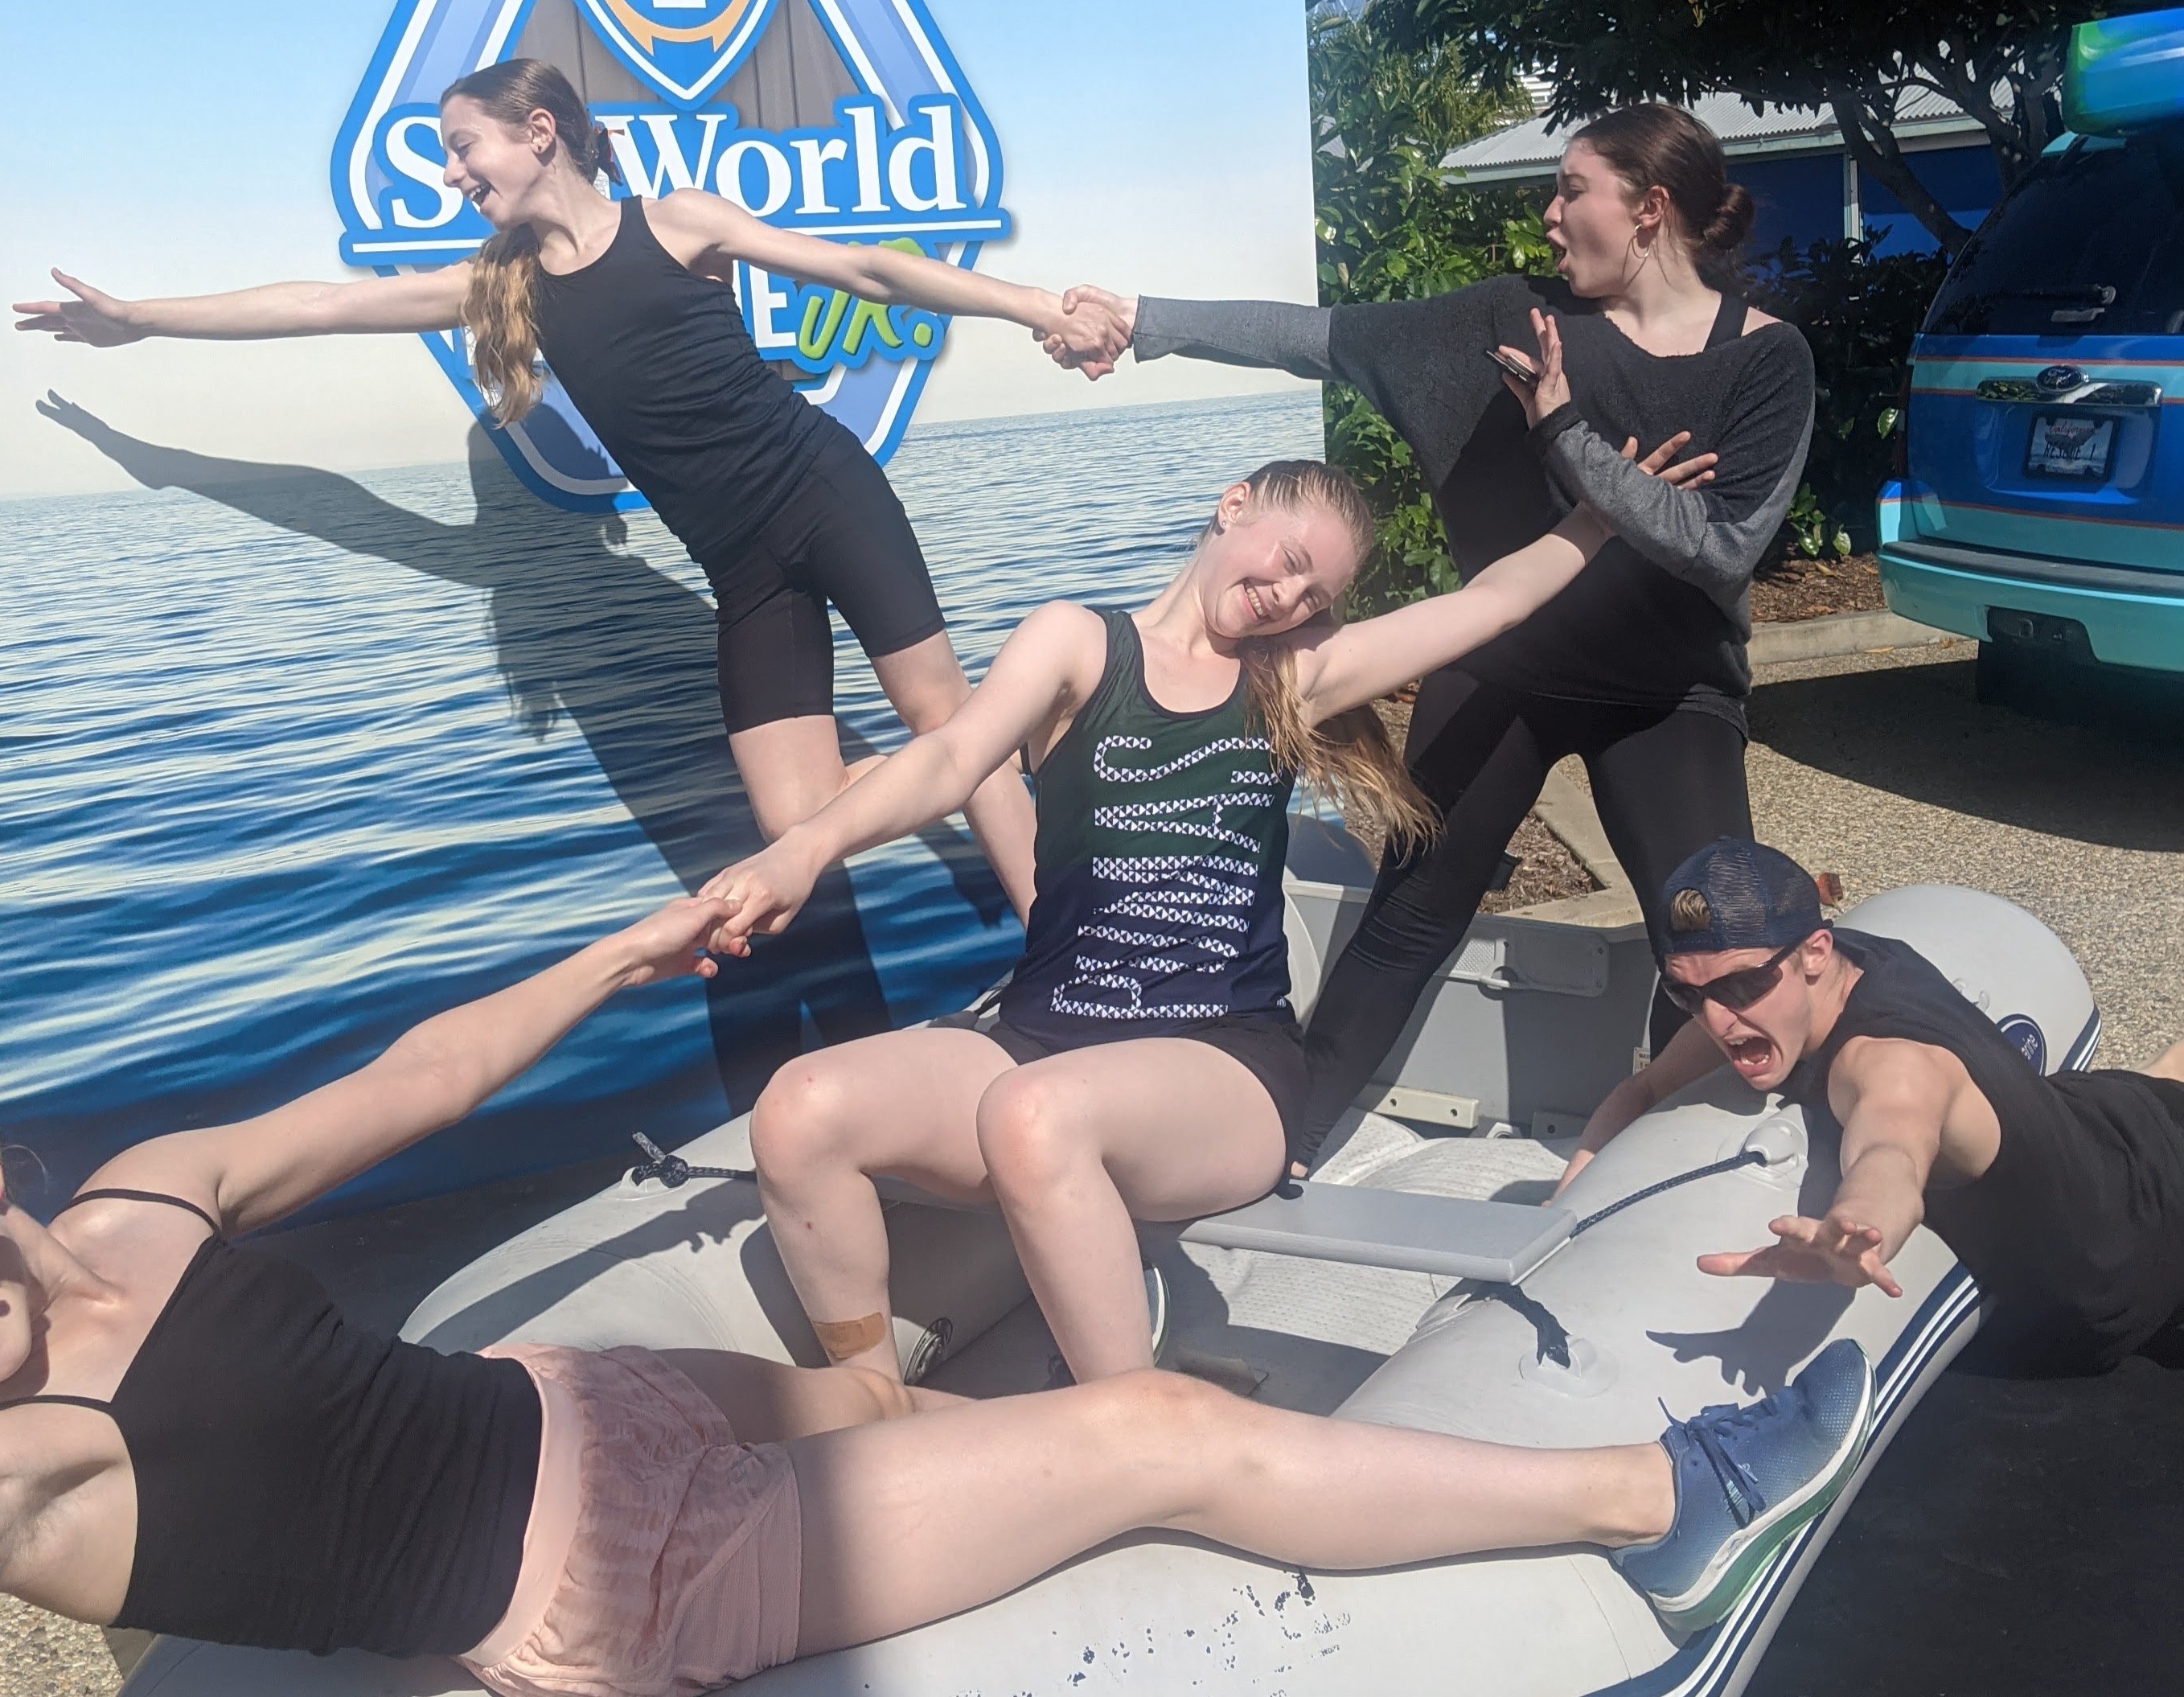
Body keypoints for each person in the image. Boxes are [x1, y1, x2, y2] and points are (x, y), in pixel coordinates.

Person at [0, 905, 1878, 1692]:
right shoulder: (0, 1473)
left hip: (576, 1401)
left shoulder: (139, 1202)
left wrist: (616, 958)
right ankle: (1656, 1497)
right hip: (596, 1583)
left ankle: (1293, 1459)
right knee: (1149, 1437)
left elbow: (412, 1081)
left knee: (917, 1412)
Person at [14, 59, 1128, 914]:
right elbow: (314, 305)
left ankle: (1054, 943)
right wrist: (142, 321)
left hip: (825, 493)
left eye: (464, 149)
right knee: (797, 820)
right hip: (741, 566)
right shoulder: (500, 288)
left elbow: (866, 268)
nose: (453, 175)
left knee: (939, 715)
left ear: (538, 133)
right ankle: (1011, 736)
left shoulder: (674, 223)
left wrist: (1034, 305)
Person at [704, 457, 1614, 1388]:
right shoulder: (1075, 643)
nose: (1290, 596)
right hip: (1041, 1038)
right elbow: (949, 759)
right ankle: (870, 1402)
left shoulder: (1294, 678)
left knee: (1035, 1116)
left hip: (1225, 1068)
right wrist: (802, 851)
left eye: (1316, 592)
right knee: (798, 1112)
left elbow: (1497, 600)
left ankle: (1127, 1421)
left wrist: (1599, 518)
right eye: (1291, 557)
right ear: (1234, 508)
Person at [1045, 104, 1818, 1173]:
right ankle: (1285, 1144)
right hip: (1505, 668)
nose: (1548, 215)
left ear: (1649, 210)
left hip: (1667, 689)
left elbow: (1721, 549)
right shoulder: (1497, 322)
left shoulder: (1766, 361)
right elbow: (1313, 338)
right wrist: (1142, 320)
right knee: (1411, 913)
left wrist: (1564, 435)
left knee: (1706, 929)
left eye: (1571, 190)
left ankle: (1661, 1170)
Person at [1558, 837, 2184, 1375]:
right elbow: (1643, 1090)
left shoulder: (1890, 1063)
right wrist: (1559, 1215)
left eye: (1741, 985)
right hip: (2105, 1121)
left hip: (2156, 1236)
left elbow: (1893, 1151)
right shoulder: (1784, 980)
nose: (1717, 1020)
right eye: (1685, 993)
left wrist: (1857, 1228)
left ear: (1816, 953)